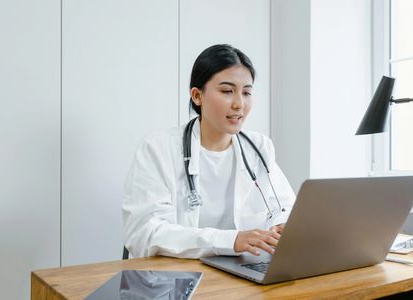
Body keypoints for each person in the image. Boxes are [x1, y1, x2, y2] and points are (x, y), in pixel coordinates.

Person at [122, 44, 295, 259]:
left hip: (240, 271)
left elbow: (283, 206)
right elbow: (145, 234)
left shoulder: (259, 147)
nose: (239, 104)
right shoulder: (158, 149)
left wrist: (281, 225)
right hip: (173, 279)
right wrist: (230, 240)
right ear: (197, 96)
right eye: (227, 91)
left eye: (247, 92)